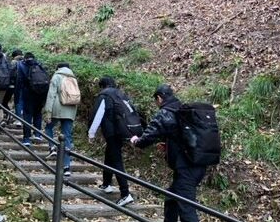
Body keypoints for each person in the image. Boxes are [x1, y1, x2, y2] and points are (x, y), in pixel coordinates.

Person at [130, 84, 206, 222]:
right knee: (171, 197)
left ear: (159, 98)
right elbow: (183, 138)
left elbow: (149, 136)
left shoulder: (166, 113)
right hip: (195, 164)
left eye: (156, 100)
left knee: (187, 210)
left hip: (187, 168)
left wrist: (136, 141)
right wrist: (168, 145)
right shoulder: (181, 109)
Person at [88, 76, 134, 207]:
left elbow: (97, 114)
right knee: (110, 155)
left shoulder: (104, 95)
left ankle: (125, 194)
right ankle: (106, 184)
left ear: (102, 86)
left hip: (112, 133)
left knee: (117, 161)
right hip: (123, 132)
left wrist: (91, 133)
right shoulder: (121, 94)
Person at [44, 63, 78, 177]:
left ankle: (52, 147)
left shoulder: (56, 76)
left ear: (58, 68)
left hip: (57, 109)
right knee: (67, 137)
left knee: (48, 127)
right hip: (70, 110)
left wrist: (48, 111)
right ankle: (67, 167)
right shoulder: (73, 78)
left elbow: (51, 95)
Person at [16, 52, 49, 146]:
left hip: (28, 94)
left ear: (25, 58)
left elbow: (19, 82)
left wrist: (18, 96)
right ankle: (37, 134)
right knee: (38, 113)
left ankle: (26, 138)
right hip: (40, 94)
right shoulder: (40, 65)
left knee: (27, 115)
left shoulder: (22, 65)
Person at [5, 49, 23, 126]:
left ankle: (12, 116)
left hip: (14, 85)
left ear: (14, 56)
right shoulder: (26, 61)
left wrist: (9, 83)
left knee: (11, 101)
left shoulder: (14, 62)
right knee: (21, 102)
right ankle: (22, 119)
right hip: (26, 86)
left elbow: (11, 73)